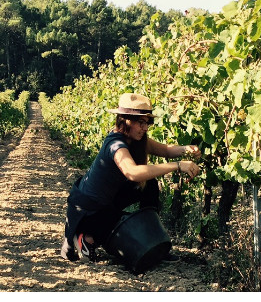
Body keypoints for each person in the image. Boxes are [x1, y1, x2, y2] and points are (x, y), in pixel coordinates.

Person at [60, 93, 201, 262]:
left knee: (149, 184)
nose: (145, 128)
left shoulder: (136, 140)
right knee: (119, 229)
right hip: (89, 211)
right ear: (125, 120)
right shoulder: (115, 144)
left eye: (147, 123)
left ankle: (153, 241)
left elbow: (166, 150)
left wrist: (186, 149)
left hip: (107, 203)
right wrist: (177, 165)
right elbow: (132, 172)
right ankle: (85, 236)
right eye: (141, 122)